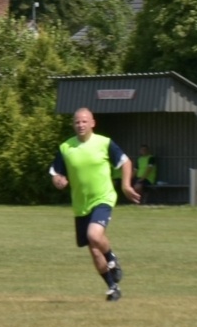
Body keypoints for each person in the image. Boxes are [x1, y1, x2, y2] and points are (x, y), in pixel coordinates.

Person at [50, 108, 140, 301]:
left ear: (92, 123)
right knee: (94, 250)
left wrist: (125, 186)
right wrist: (58, 180)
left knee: (94, 235)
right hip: (81, 205)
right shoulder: (66, 148)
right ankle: (113, 287)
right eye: (77, 122)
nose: (80, 125)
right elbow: (56, 173)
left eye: (84, 121)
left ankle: (112, 259)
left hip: (103, 198)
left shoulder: (104, 143)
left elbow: (125, 162)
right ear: (73, 125)